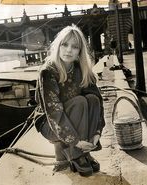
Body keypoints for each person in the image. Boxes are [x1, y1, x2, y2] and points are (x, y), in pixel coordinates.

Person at [34, 24, 105, 177]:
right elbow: (54, 112)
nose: (68, 50)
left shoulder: (82, 69)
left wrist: (97, 132)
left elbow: (98, 101)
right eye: (65, 45)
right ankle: (76, 154)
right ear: (58, 46)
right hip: (50, 124)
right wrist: (76, 142)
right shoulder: (48, 72)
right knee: (79, 101)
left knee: (92, 99)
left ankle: (85, 152)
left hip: (75, 122)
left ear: (80, 51)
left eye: (75, 47)